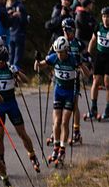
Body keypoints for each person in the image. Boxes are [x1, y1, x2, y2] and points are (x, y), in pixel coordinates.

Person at [0, 46, 41, 173]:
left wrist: (17, 73)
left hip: (11, 104)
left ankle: (32, 155)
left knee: (21, 133)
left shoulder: (11, 68)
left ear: (6, 60)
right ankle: (0, 162)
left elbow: (26, 80)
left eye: (1, 61)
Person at [36, 37, 90, 166]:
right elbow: (38, 67)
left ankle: (62, 149)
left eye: (62, 52)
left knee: (65, 122)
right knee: (56, 121)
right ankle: (55, 148)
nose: (59, 55)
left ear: (67, 50)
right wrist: (37, 60)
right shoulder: (54, 57)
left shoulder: (72, 59)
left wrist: (81, 64)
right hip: (58, 92)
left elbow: (87, 74)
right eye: (58, 52)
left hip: (70, 93)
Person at [7, 0, 29, 68]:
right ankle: (15, 75)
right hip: (19, 34)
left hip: (10, 34)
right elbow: (24, 21)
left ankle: (9, 73)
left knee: (10, 56)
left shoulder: (9, 6)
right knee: (17, 58)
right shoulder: (20, 6)